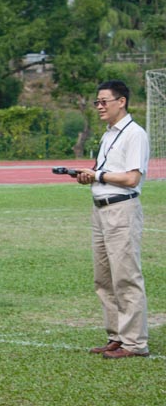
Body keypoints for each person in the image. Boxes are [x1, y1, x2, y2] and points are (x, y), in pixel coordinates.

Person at [75, 80, 150, 359]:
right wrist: (89, 176)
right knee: (104, 278)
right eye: (97, 102)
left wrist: (99, 176)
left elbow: (132, 178)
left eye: (104, 101)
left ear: (122, 102)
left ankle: (135, 343)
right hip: (100, 209)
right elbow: (104, 171)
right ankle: (116, 335)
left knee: (126, 276)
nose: (99, 107)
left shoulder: (134, 134)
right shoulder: (108, 135)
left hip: (122, 210)